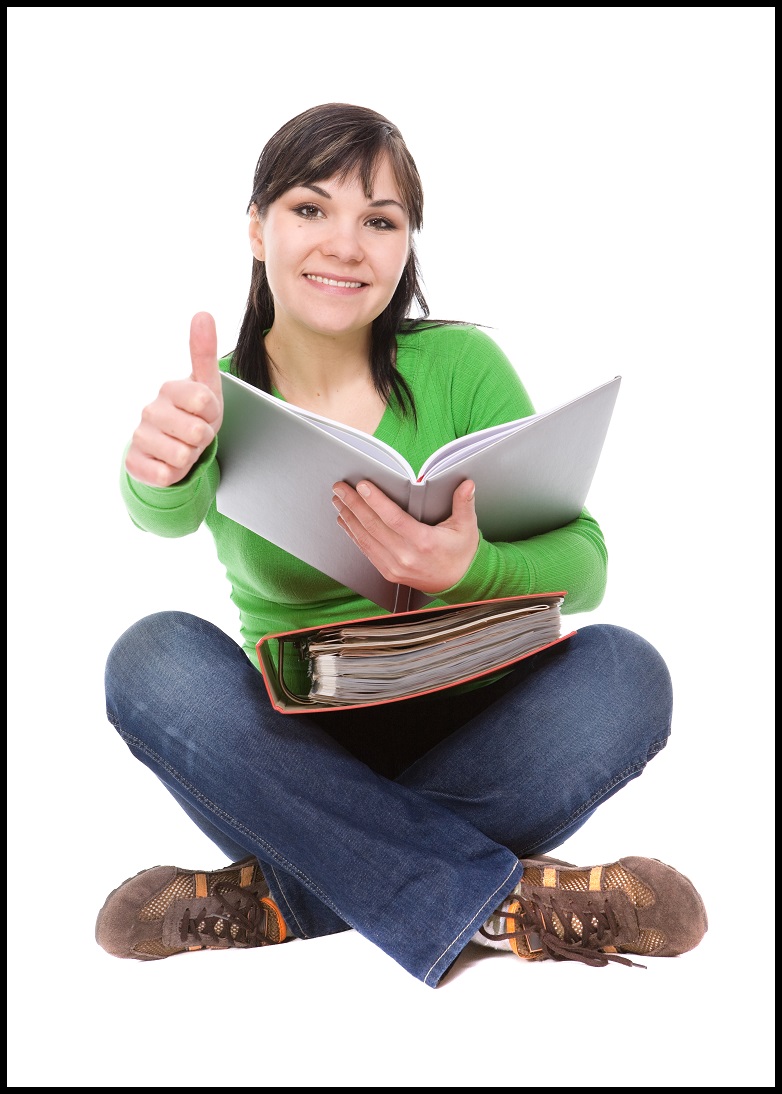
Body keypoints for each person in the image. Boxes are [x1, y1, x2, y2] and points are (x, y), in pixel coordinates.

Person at [96, 102, 707, 985]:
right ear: (258, 231)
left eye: (379, 221)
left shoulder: (463, 368)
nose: (345, 245)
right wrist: (156, 470)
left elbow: (587, 563)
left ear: (404, 247)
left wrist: (473, 567)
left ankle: (285, 896)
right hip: (292, 753)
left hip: (483, 730)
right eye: (311, 209)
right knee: (150, 656)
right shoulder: (216, 397)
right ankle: (497, 902)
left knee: (629, 672)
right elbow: (160, 512)